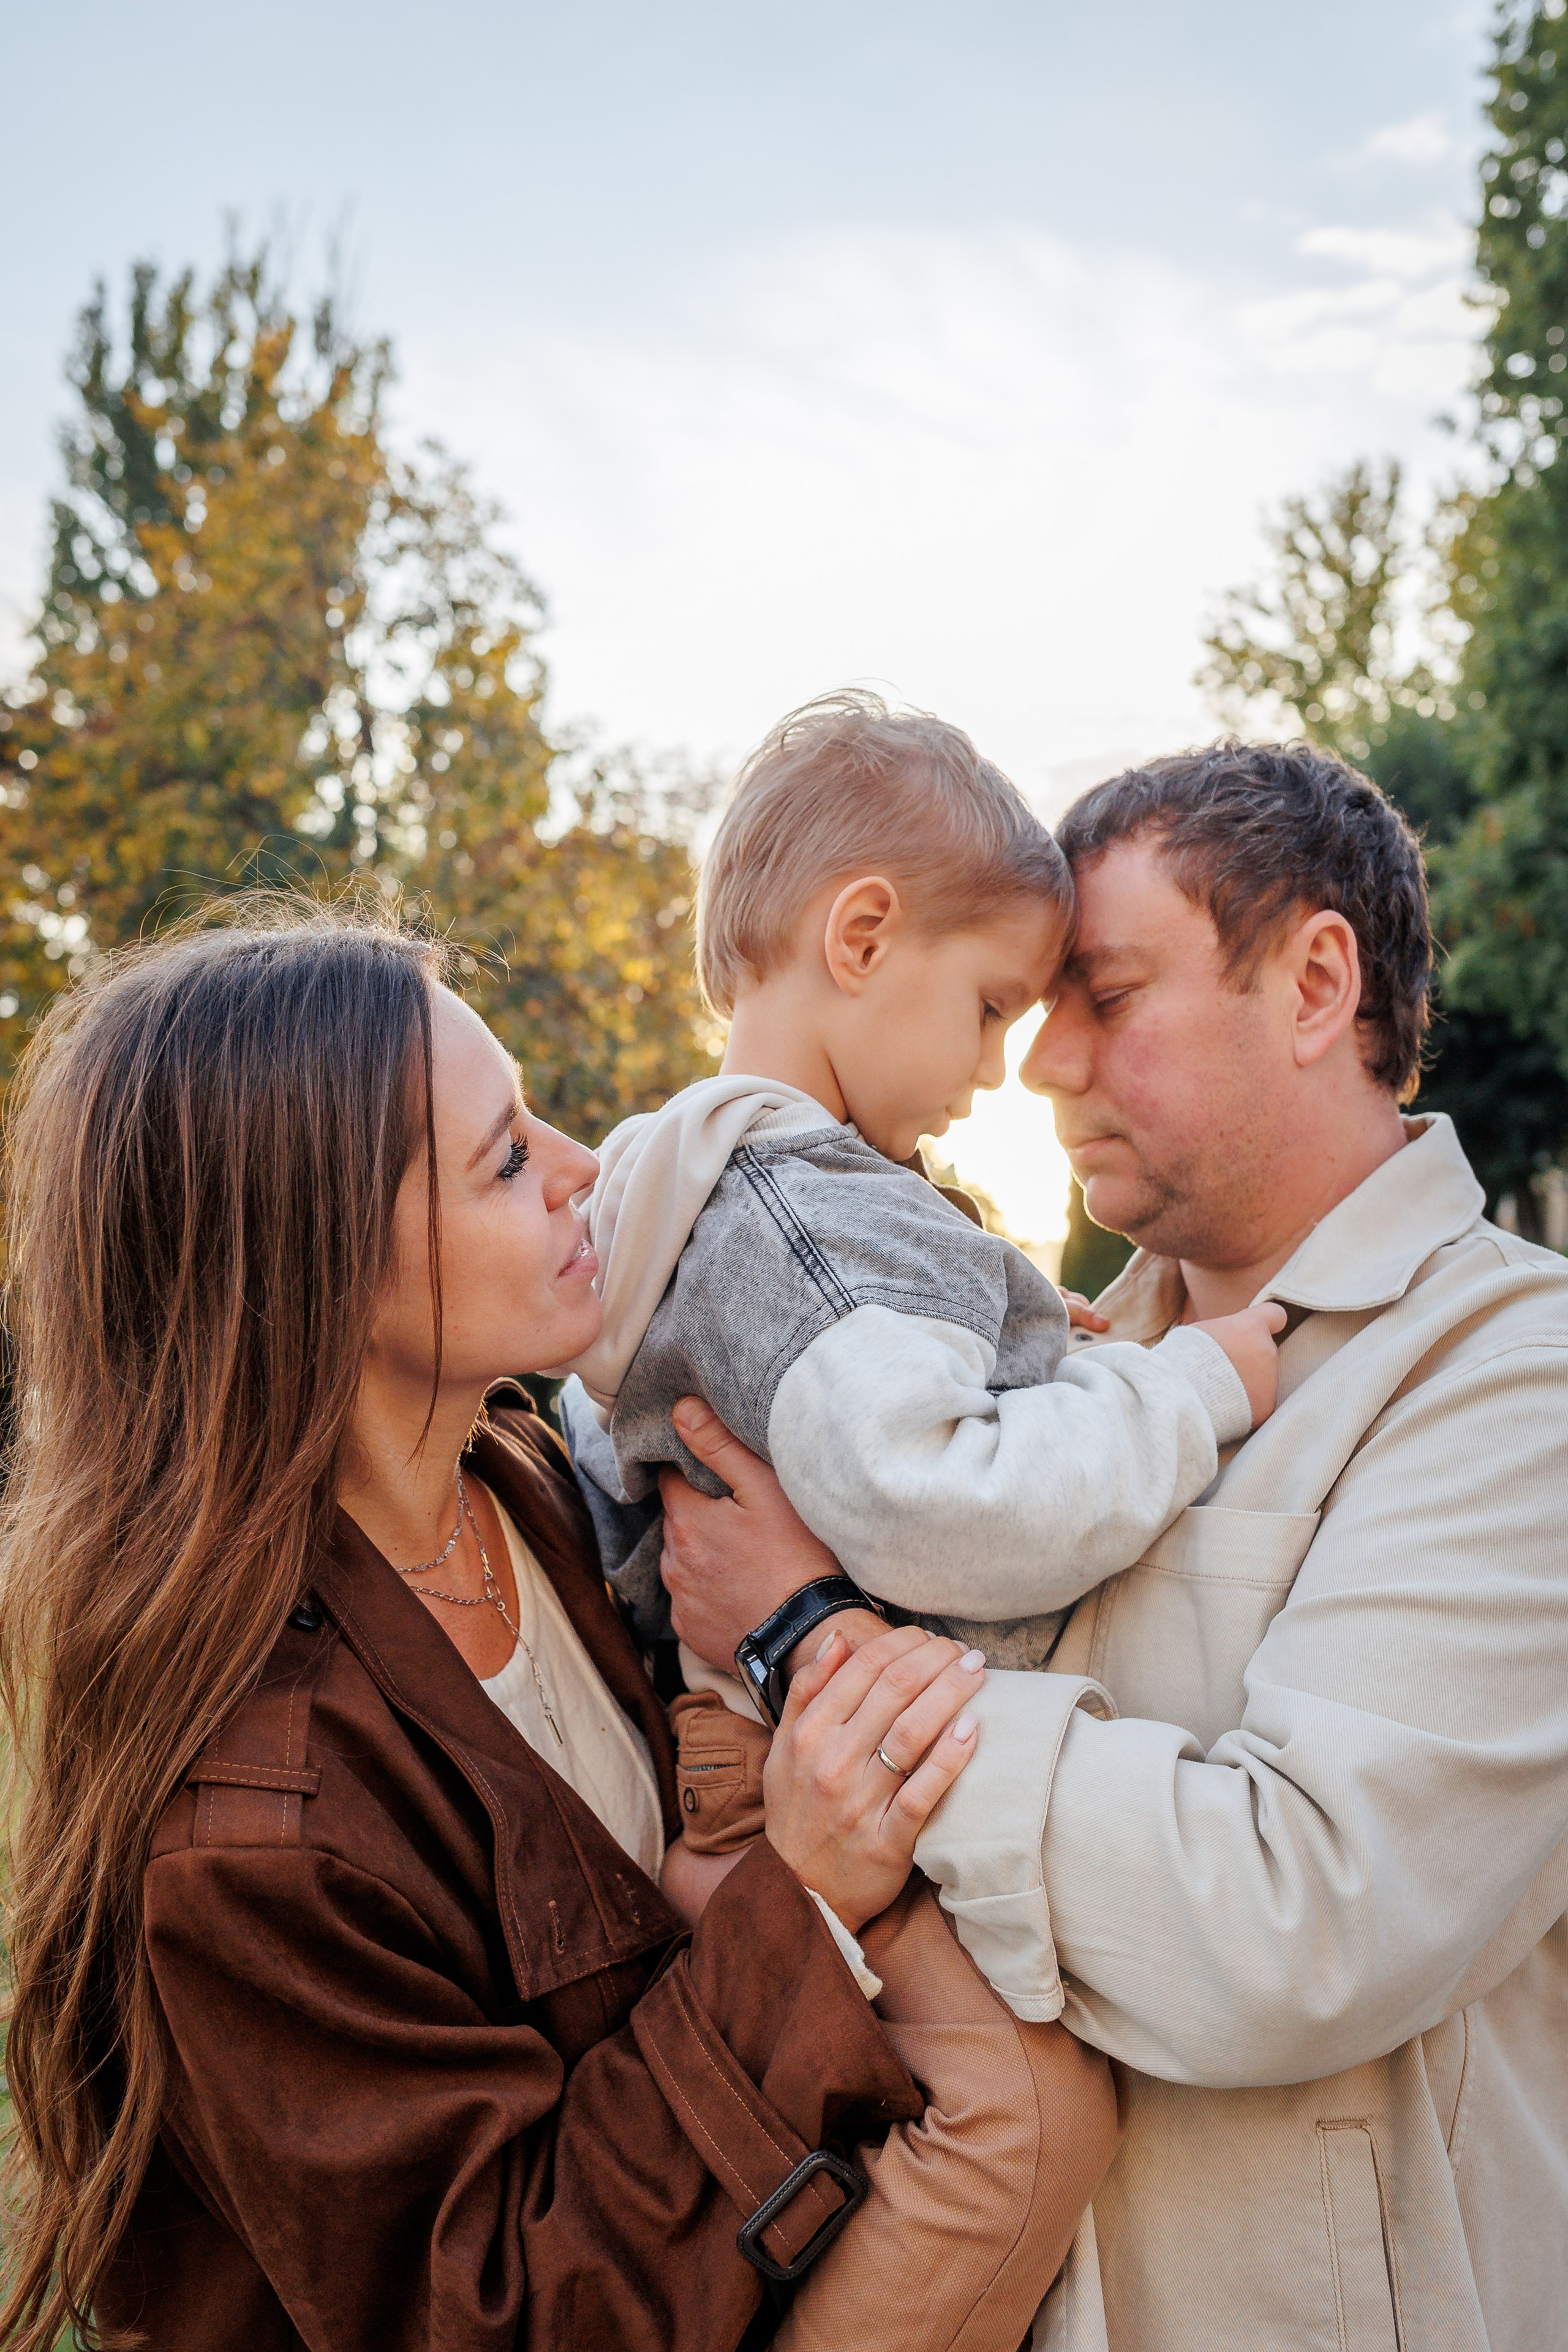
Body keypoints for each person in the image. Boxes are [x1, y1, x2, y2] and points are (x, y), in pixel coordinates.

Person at [0, 900, 1115, 2352]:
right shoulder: (255, 1835)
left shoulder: (532, 1482)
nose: (584, 1166)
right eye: (507, 1160)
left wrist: (1006, 1359)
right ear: (325, 1270)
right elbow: (502, 2315)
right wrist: (798, 1898)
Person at [658, 740, 1568, 2352]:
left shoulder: (1514, 1376)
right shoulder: (1055, 1374)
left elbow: (1296, 1923)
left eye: (1109, 995)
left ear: (1314, 985)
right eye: (1028, 1003)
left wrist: (818, 1649)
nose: (1040, 1063)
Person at [558, 690, 1282, 1699]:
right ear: (861, 939)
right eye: (990, 1009)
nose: (995, 1072)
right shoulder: (812, 1234)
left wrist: (994, 1336)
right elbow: (955, 1511)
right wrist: (1192, 1387)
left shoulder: (701, 1207)